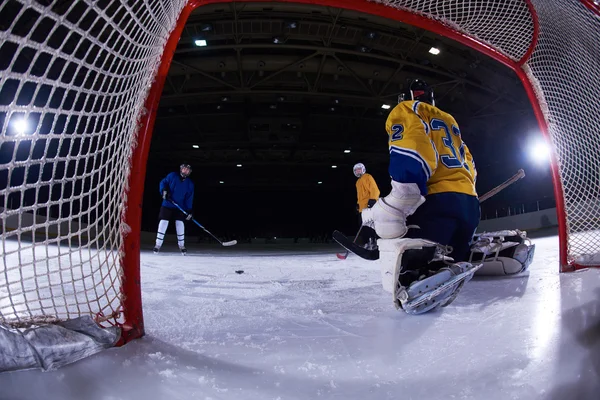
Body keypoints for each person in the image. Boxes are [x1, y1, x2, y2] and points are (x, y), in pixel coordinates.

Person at [361, 79, 480, 313]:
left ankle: (416, 277)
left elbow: (413, 151)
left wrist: (399, 200)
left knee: (394, 237)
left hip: (437, 205)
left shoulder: (407, 109)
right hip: (470, 204)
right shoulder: (450, 120)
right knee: (454, 255)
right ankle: (459, 261)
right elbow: (470, 166)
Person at [153, 164, 194, 255]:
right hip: (167, 204)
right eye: (184, 169)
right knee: (163, 222)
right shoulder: (172, 176)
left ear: (190, 172)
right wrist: (164, 190)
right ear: (180, 169)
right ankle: (158, 245)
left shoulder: (190, 184)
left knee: (180, 223)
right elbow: (163, 183)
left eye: (187, 170)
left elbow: (189, 198)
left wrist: (189, 210)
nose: (185, 171)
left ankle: (181, 245)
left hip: (180, 207)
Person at [353, 163, 380, 248]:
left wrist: (373, 199)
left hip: (369, 206)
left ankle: (374, 241)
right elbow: (360, 195)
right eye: (356, 170)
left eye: (359, 169)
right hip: (362, 208)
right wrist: (358, 204)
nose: (358, 171)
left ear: (363, 169)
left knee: (370, 225)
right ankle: (367, 242)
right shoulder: (358, 182)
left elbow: (374, 189)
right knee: (362, 226)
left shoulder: (368, 177)